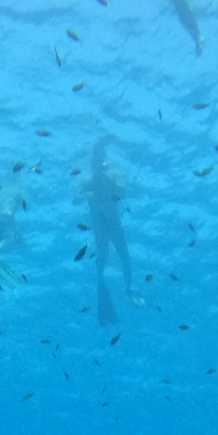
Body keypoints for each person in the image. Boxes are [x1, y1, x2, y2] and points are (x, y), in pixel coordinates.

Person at [75, 139, 140, 325]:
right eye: (94, 160)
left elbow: (123, 191)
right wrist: (87, 195)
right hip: (99, 224)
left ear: (103, 160)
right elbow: (75, 199)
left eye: (99, 159)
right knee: (103, 253)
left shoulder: (112, 174)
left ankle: (130, 287)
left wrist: (110, 184)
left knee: (123, 254)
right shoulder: (86, 181)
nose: (97, 164)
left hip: (114, 222)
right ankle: (101, 284)